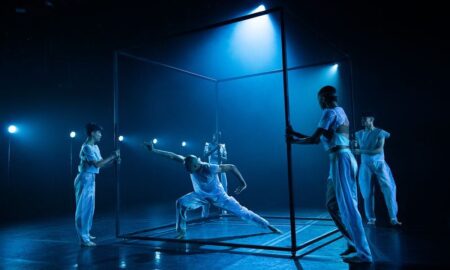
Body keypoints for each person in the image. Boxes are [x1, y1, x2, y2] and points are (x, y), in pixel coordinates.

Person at [286, 86, 373, 263]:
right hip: (341, 159)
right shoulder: (340, 111)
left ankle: (364, 254)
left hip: (340, 159)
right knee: (333, 205)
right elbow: (319, 138)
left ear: (324, 98)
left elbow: (313, 140)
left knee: (348, 207)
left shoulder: (328, 112)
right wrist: (294, 133)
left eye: (319, 100)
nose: (319, 103)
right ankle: (352, 241)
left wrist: (293, 142)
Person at [144, 142, 282, 239]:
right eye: (185, 166)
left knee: (243, 212)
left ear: (196, 165)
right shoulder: (188, 162)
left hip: (220, 198)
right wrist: (154, 150)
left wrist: (243, 183)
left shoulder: (210, 167)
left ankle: (269, 227)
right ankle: (181, 231)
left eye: (188, 167)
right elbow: (173, 156)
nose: (186, 169)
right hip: (200, 196)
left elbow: (232, 167)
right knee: (180, 203)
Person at [74, 123, 121, 247]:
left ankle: (86, 232)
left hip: (91, 179)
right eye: (99, 132)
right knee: (83, 209)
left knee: (90, 208)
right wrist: (112, 156)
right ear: (92, 133)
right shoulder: (86, 147)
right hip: (84, 178)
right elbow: (97, 165)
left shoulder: (95, 147)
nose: (101, 135)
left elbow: (102, 164)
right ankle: (83, 239)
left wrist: (114, 160)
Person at [353, 112, 401, 226]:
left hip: (379, 164)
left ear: (371, 119)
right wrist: (354, 146)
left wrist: (361, 151)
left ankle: (393, 217)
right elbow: (355, 148)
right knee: (366, 191)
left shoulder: (380, 132)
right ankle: (371, 218)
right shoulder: (358, 134)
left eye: (365, 119)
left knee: (389, 188)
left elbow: (378, 150)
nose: (363, 121)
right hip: (365, 165)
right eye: (362, 119)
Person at [203, 131, 228, 216]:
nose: (217, 137)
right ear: (213, 136)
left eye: (219, 136)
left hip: (220, 168)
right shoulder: (208, 144)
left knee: (224, 188)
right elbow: (205, 156)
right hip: (211, 168)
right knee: (208, 190)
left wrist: (221, 156)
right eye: (216, 135)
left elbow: (225, 158)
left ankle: (223, 210)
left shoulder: (223, 145)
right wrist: (214, 149)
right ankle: (205, 214)